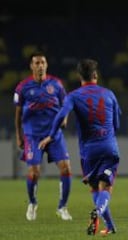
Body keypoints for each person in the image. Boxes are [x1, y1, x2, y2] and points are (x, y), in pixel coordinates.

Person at [38, 59, 121, 236]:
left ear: (79, 77)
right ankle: (103, 217)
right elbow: (117, 123)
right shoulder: (109, 94)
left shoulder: (74, 96)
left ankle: (109, 225)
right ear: (96, 75)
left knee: (94, 188)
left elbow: (61, 115)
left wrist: (51, 136)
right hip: (109, 146)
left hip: (89, 151)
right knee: (105, 188)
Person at [14, 51, 72, 221]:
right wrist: (19, 136)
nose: (40, 66)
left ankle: (63, 207)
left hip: (54, 135)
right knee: (34, 172)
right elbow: (17, 114)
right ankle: (32, 203)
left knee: (66, 168)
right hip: (33, 136)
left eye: (43, 63)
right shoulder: (22, 87)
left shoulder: (56, 84)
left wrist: (65, 119)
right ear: (31, 66)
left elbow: (66, 104)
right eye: (37, 63)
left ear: (46, 65)